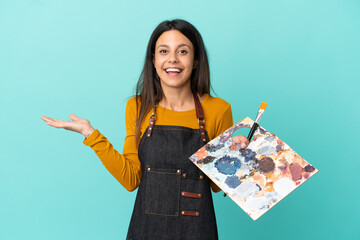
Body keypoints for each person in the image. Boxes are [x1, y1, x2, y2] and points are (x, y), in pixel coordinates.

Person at [41, 19, 249, 240]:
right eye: (163, 51)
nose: (172, 59)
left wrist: (238, 155)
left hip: (197, 232)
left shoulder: (218, 109)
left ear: (196, 60)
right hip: (146, 231)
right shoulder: (137, 107)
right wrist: (91, 135)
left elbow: (218, 187)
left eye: (183, 51)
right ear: (153, 59)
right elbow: (131, 179)